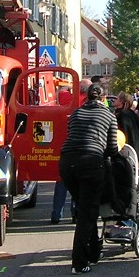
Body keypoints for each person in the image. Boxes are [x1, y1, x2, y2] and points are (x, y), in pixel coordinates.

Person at [58, 83, 119, 274]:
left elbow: (71, 136)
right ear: (103, 98)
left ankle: (93, 252)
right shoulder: (109, 116)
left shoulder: (76, 114)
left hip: (67, 162)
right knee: (88, 212)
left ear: (87, 97)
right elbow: (112, 148)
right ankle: (79, 262)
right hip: (91, 162)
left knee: (83, 206)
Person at [50, 79, 87, 225]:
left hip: (65, 145)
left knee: (61, 182)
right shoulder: (89, 102)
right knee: (78, 184)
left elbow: (59, 93)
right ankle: (75, 213)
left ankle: (56, 214)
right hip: (83, 146)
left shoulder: (68, 98)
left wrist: (68, 86)